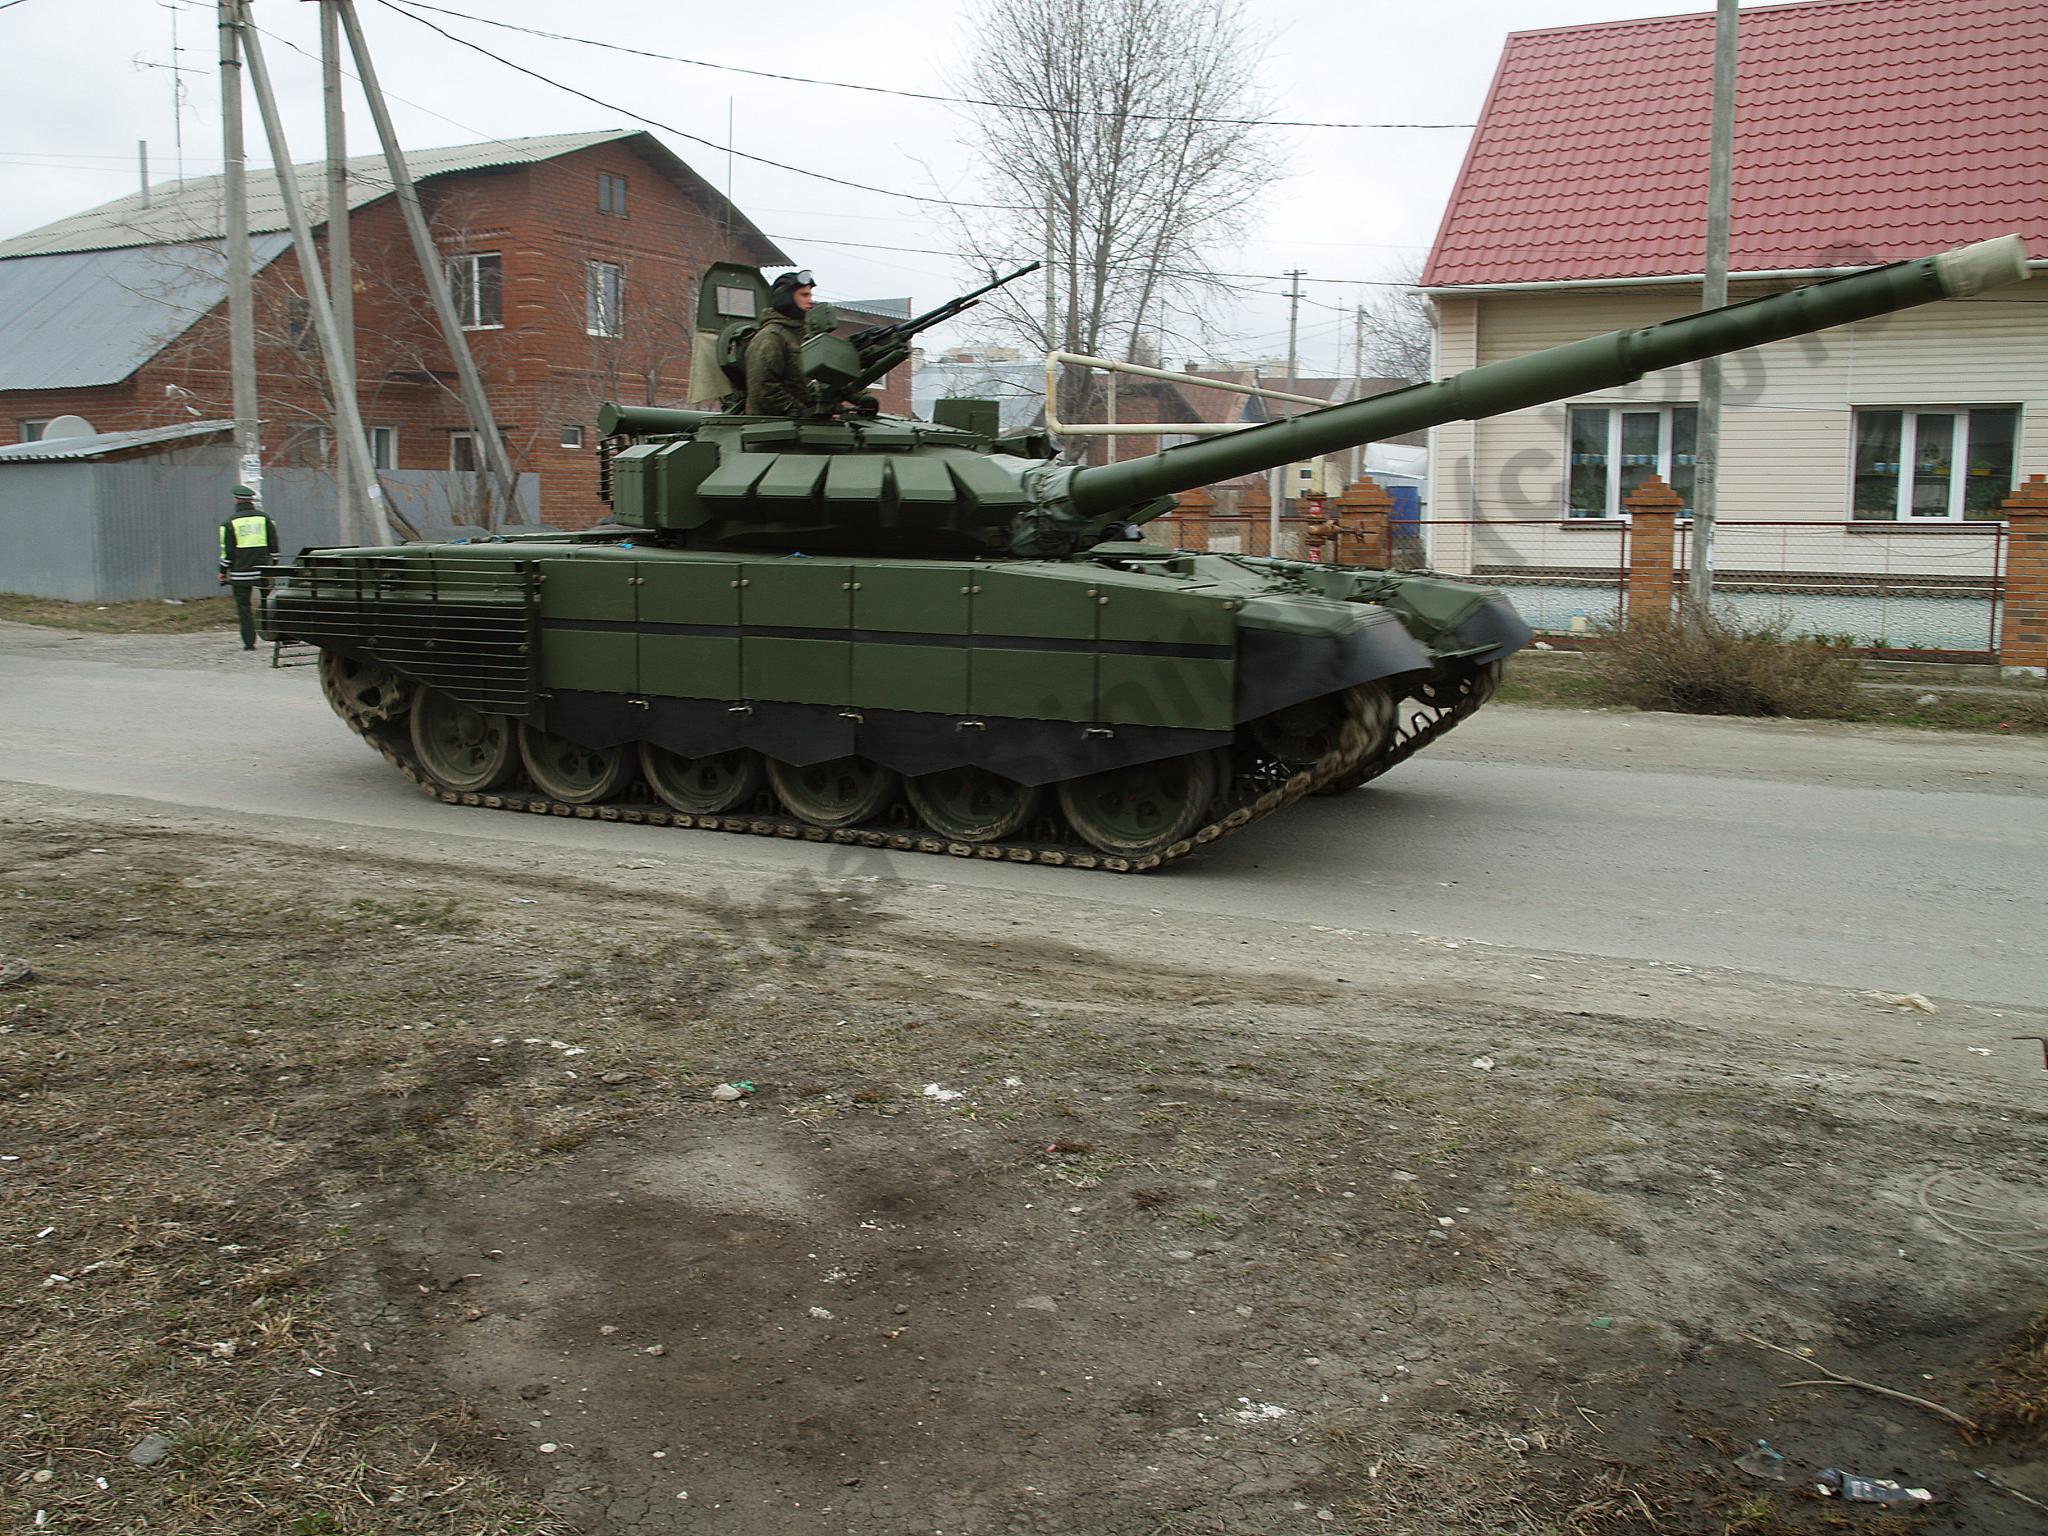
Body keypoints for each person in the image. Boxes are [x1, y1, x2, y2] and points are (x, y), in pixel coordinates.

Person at [744, 268, 816, 416]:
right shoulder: (771, 337)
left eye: (810, 295)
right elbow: (763, 388)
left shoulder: (803, 336)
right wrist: (797, 409)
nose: (811, 300)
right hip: (772, 427)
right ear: (787, 297)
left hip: (800, 425)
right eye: (804, 295)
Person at [218, 485, 279, 651]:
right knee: (270, 603)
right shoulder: (266, 519)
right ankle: (275, 635)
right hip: (264, 571)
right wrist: (273, 567)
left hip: (240, 574)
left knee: (244, 608)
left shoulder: (228, 524)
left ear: (236, 500)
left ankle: (249, 642)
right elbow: (274, 548)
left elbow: (227, 553)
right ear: (252, 500)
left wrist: (223, 572)